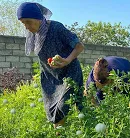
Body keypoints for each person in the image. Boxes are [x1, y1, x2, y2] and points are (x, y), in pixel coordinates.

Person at [17, 2, 84, 130]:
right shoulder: (34, 36)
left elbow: (79, 46)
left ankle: (64, 137)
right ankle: (62, 135)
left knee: (65, 106)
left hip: (69, 74)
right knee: (51, 108)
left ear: (38, 18)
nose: (26, 26)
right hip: (50, 77)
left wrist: (67, 60)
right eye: (23, 23)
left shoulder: (56, 28)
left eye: (28, 21)